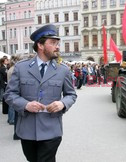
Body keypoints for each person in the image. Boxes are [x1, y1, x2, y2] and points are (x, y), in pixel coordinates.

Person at [4, 24, 77, 162]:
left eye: (57, 43)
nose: (57, 47)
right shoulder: (21, 67)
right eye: (53, 43)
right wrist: (25, 105)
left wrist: (62, 103)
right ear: (40, 45)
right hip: (27, 130)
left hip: (51, 130)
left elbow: (71, 95)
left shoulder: (63, 70)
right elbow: (9, 94)